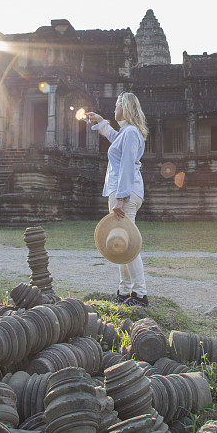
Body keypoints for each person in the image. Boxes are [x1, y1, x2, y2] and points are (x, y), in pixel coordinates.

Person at [86, 92, 149, 307]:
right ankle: (124, 291)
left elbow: (127, 166)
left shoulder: (130, 133)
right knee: (120, 241)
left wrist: (121, 199)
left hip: (125, 193)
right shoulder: (127, 133)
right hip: (125, 192)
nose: (114, 109)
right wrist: (100, 121)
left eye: (117, 105)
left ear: (126, 108)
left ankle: (140, 294)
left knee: (128, 243)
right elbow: (115, 138)